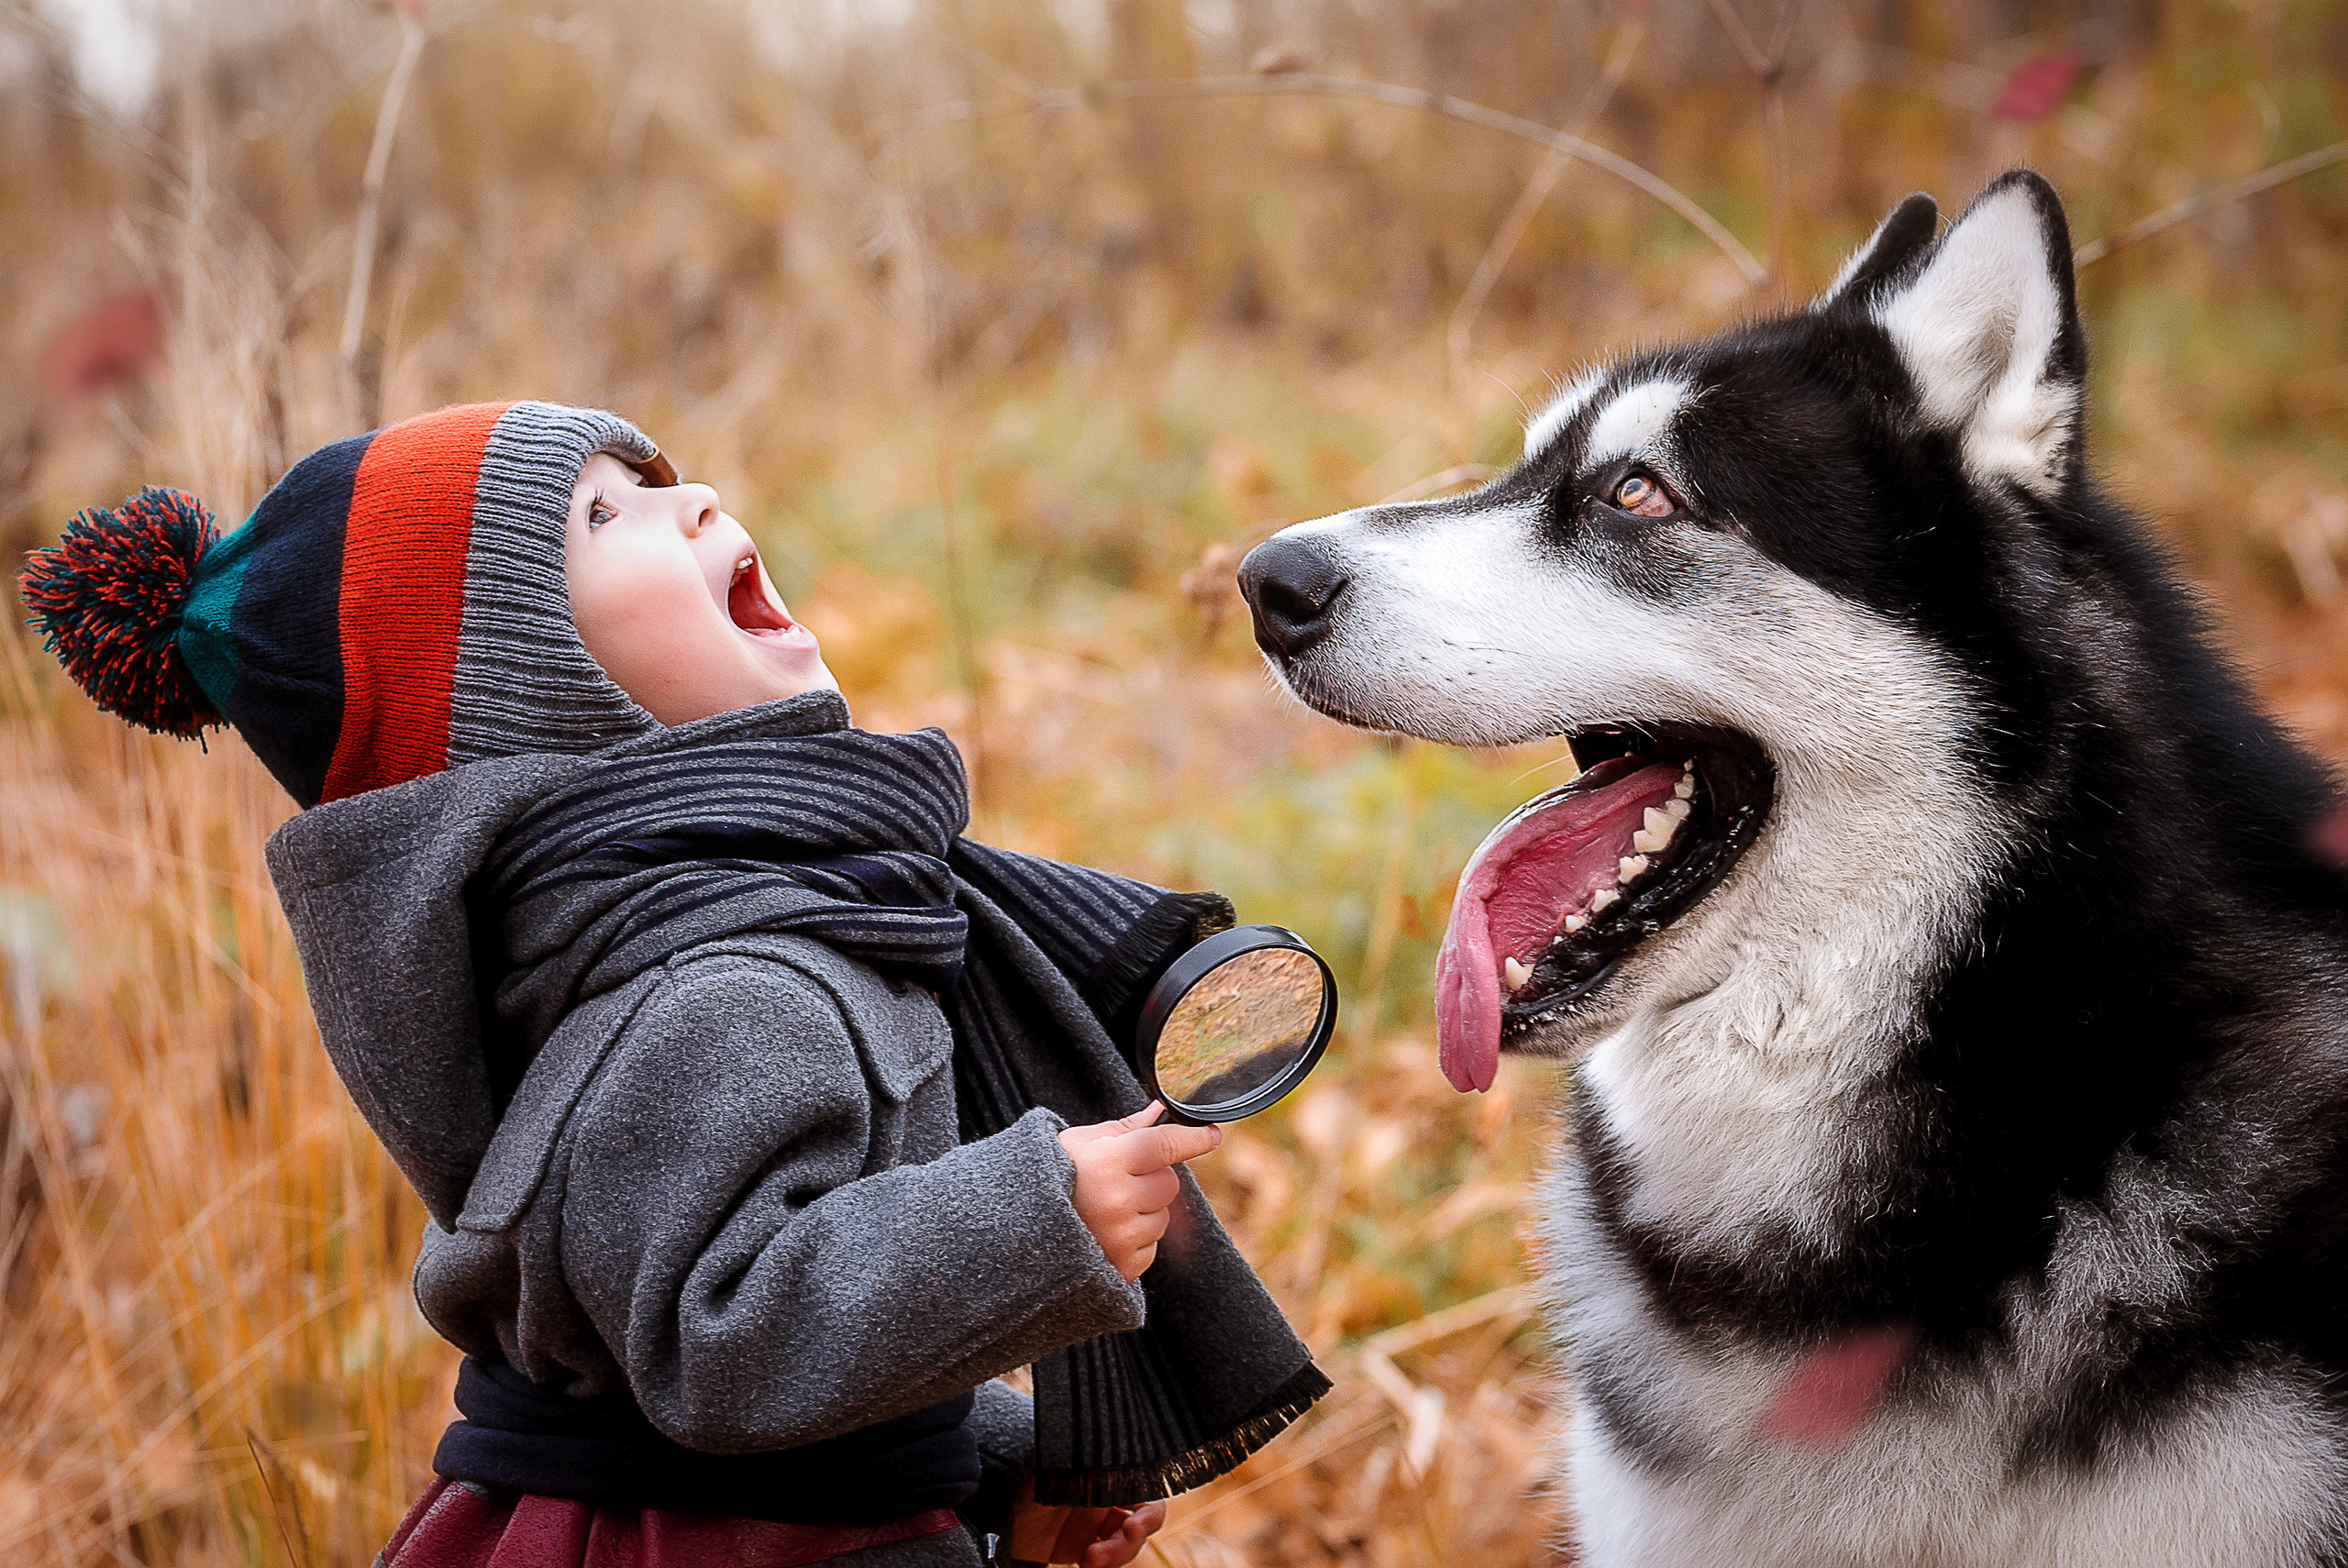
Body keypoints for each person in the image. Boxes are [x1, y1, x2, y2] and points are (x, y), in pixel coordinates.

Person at [21, 401, 1327, 1568]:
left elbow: (721, 1359)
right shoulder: (714, 992)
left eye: (660, 478)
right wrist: (1037, 1218)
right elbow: (720, 1337)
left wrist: (995, 1469)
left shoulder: (769, 920)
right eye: (604, 514)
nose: (693, 499)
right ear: (529, 696)